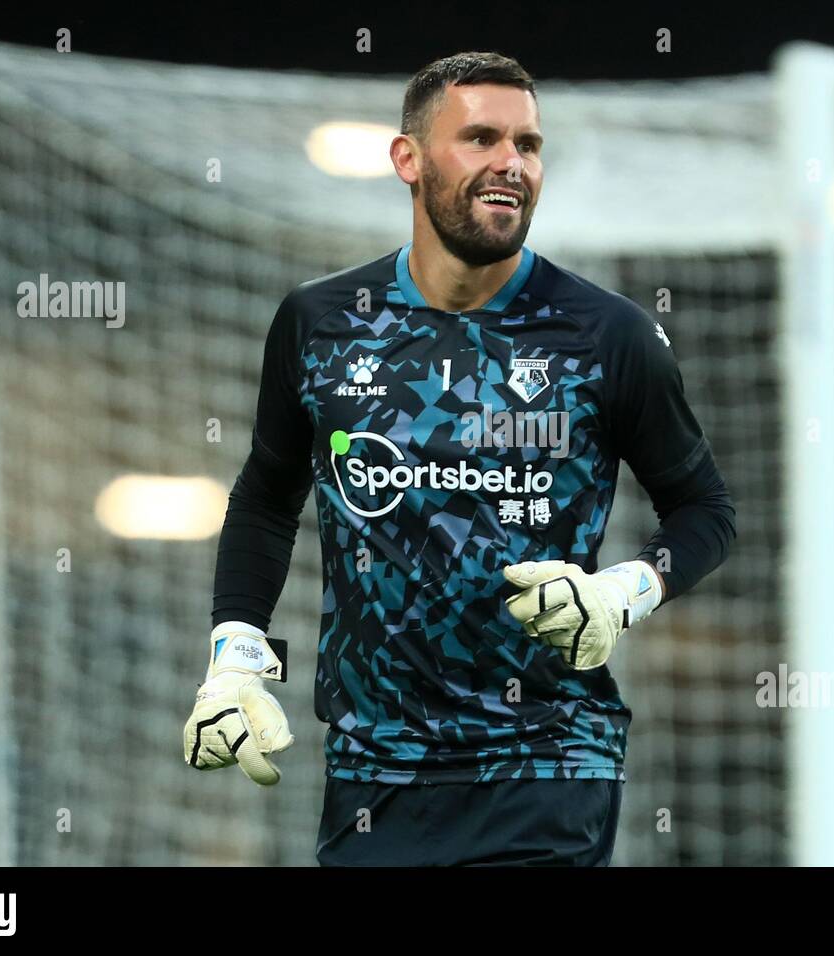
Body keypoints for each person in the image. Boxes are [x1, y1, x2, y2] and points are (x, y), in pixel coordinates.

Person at [183, 51, 735, 866]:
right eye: (481, 138)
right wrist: (235, 658)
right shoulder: (319, 322)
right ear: (407, 159)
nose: (511, 162)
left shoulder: (608, 336)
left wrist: (623, 592)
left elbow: (704, 512)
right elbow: (267, 499)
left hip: (548, 766)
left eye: (529, 144)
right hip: (372, 776)